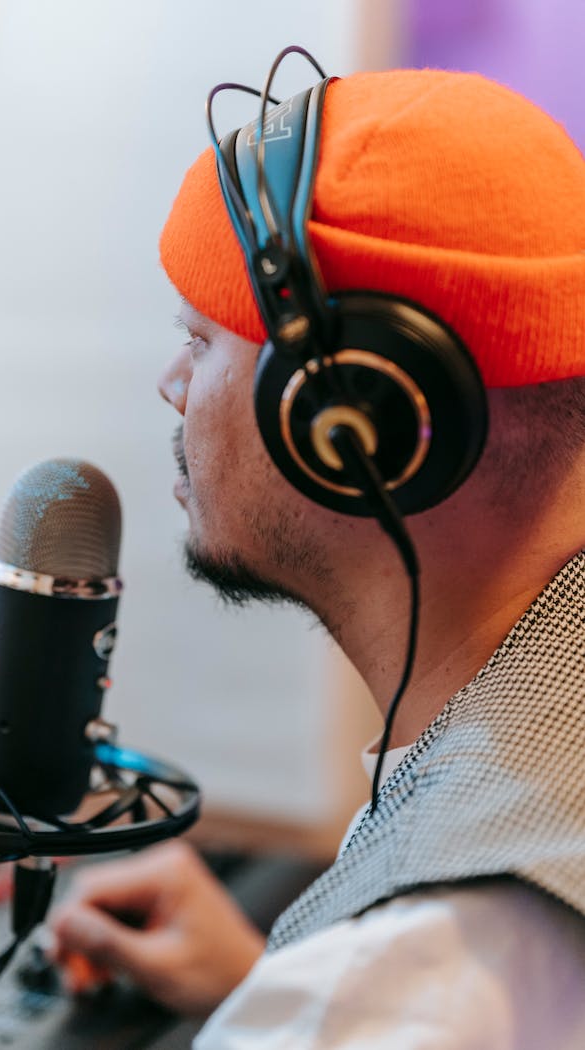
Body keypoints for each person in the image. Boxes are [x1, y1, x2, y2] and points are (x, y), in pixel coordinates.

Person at [50, 65, 585, 1047]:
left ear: (349, 417)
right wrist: (269, 988)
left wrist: (314, 1008)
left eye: (199, 338)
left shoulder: (427, 971)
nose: (173, 384)